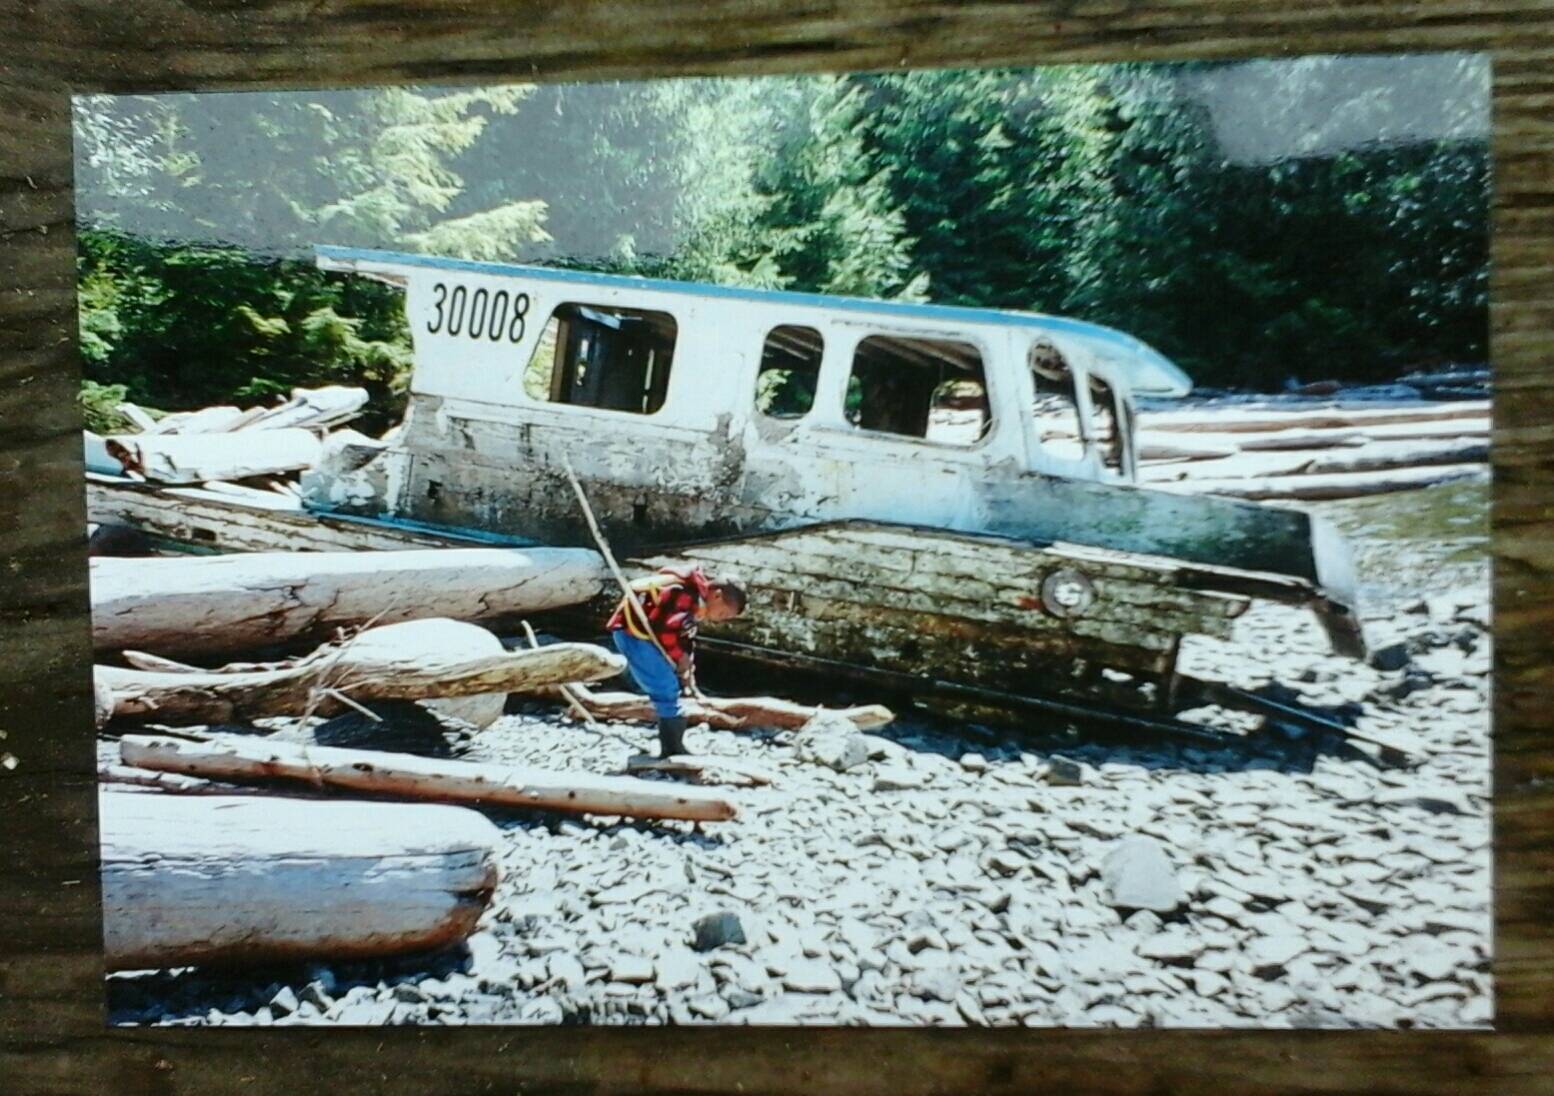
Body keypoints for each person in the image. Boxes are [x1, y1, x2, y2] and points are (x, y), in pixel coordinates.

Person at [606, 563, 747, 757]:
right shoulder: (683, 595)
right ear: (717, 595)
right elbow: (664, 631)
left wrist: (687, 660)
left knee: (670, 685)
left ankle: (673, 743)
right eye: (723, 614)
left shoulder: (698, 603)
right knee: (665, 686)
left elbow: (685, 634)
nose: (720, 620)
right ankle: (672, 748)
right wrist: (680, 657)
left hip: (646, 636)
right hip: (633, 635)